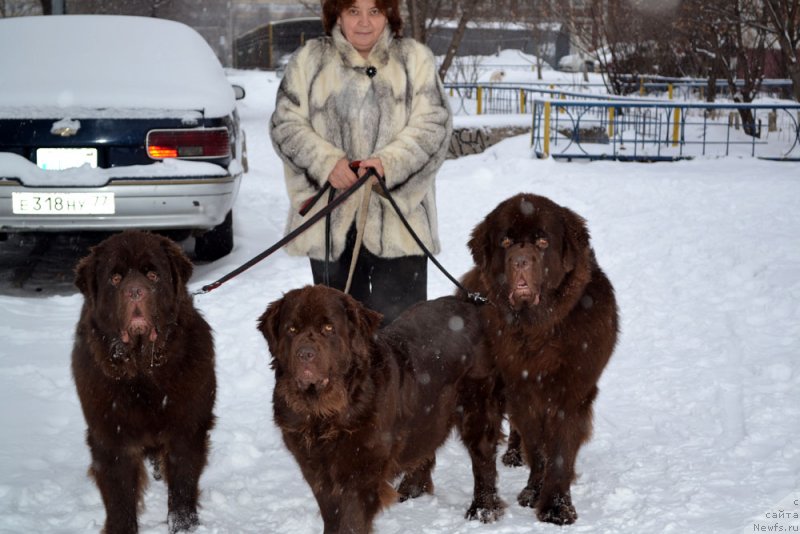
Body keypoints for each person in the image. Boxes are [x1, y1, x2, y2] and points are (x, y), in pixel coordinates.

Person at [269, 0, 452, 325]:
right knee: (338, 336)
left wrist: (388, 164)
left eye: (374, 11)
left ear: (389, 15)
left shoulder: (415, 60)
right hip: (330, 224)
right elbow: (285, 124)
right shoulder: (309, 61)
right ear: (337, 14)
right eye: (354, 11)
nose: (364, 22)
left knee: (402, 336)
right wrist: (325, 162)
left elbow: (434, 126)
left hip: (398, 222)